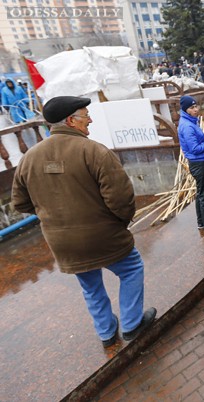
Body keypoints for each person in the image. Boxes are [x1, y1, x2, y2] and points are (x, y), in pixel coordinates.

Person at [11, 96, 156, 348]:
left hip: (63, 243)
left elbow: (20, 203)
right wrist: (119, 224)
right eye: (85, 115)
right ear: (70, 121)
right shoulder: (94, 151)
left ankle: (106, 333)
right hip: (104, 236)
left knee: (90, 286)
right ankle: (132, 325)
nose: (90, 119)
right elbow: (121, 199)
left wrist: (53, 217)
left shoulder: (28, 158)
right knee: (131, 269)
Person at [176, 96, 204, 232]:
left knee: (200, 192)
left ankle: (201, 222)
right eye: (192, 108)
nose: (196, 109)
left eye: (196, 106)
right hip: (198, 163)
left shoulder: (190, 121)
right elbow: (194, 149)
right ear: (186, 109)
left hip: (197, 162)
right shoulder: (187, 126)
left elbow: (196, 139)